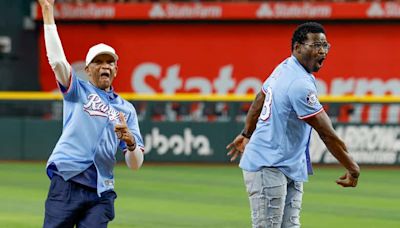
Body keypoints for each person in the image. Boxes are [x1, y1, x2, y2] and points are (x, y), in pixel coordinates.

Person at [226, 22, 360, 228]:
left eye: (325, 45)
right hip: (268, 164)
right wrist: (352, 167)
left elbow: (259, 99)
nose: (322, 50)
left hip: (288, 163)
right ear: (297, 47)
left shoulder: (285, 67)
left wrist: (246, 134)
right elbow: (327, 134)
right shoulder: (299, 83)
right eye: (316, 45)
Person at [38, 0, 145, 227]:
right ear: (87, 70)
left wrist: (131, 142)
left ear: (116, 69)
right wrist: (48, 12)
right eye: (97, 62)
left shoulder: (126, 109)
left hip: (101, 192)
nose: (104, 66)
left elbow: (135, 164)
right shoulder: (77, 90)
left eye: (110, 62)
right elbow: (57, 61)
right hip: (67, 182)